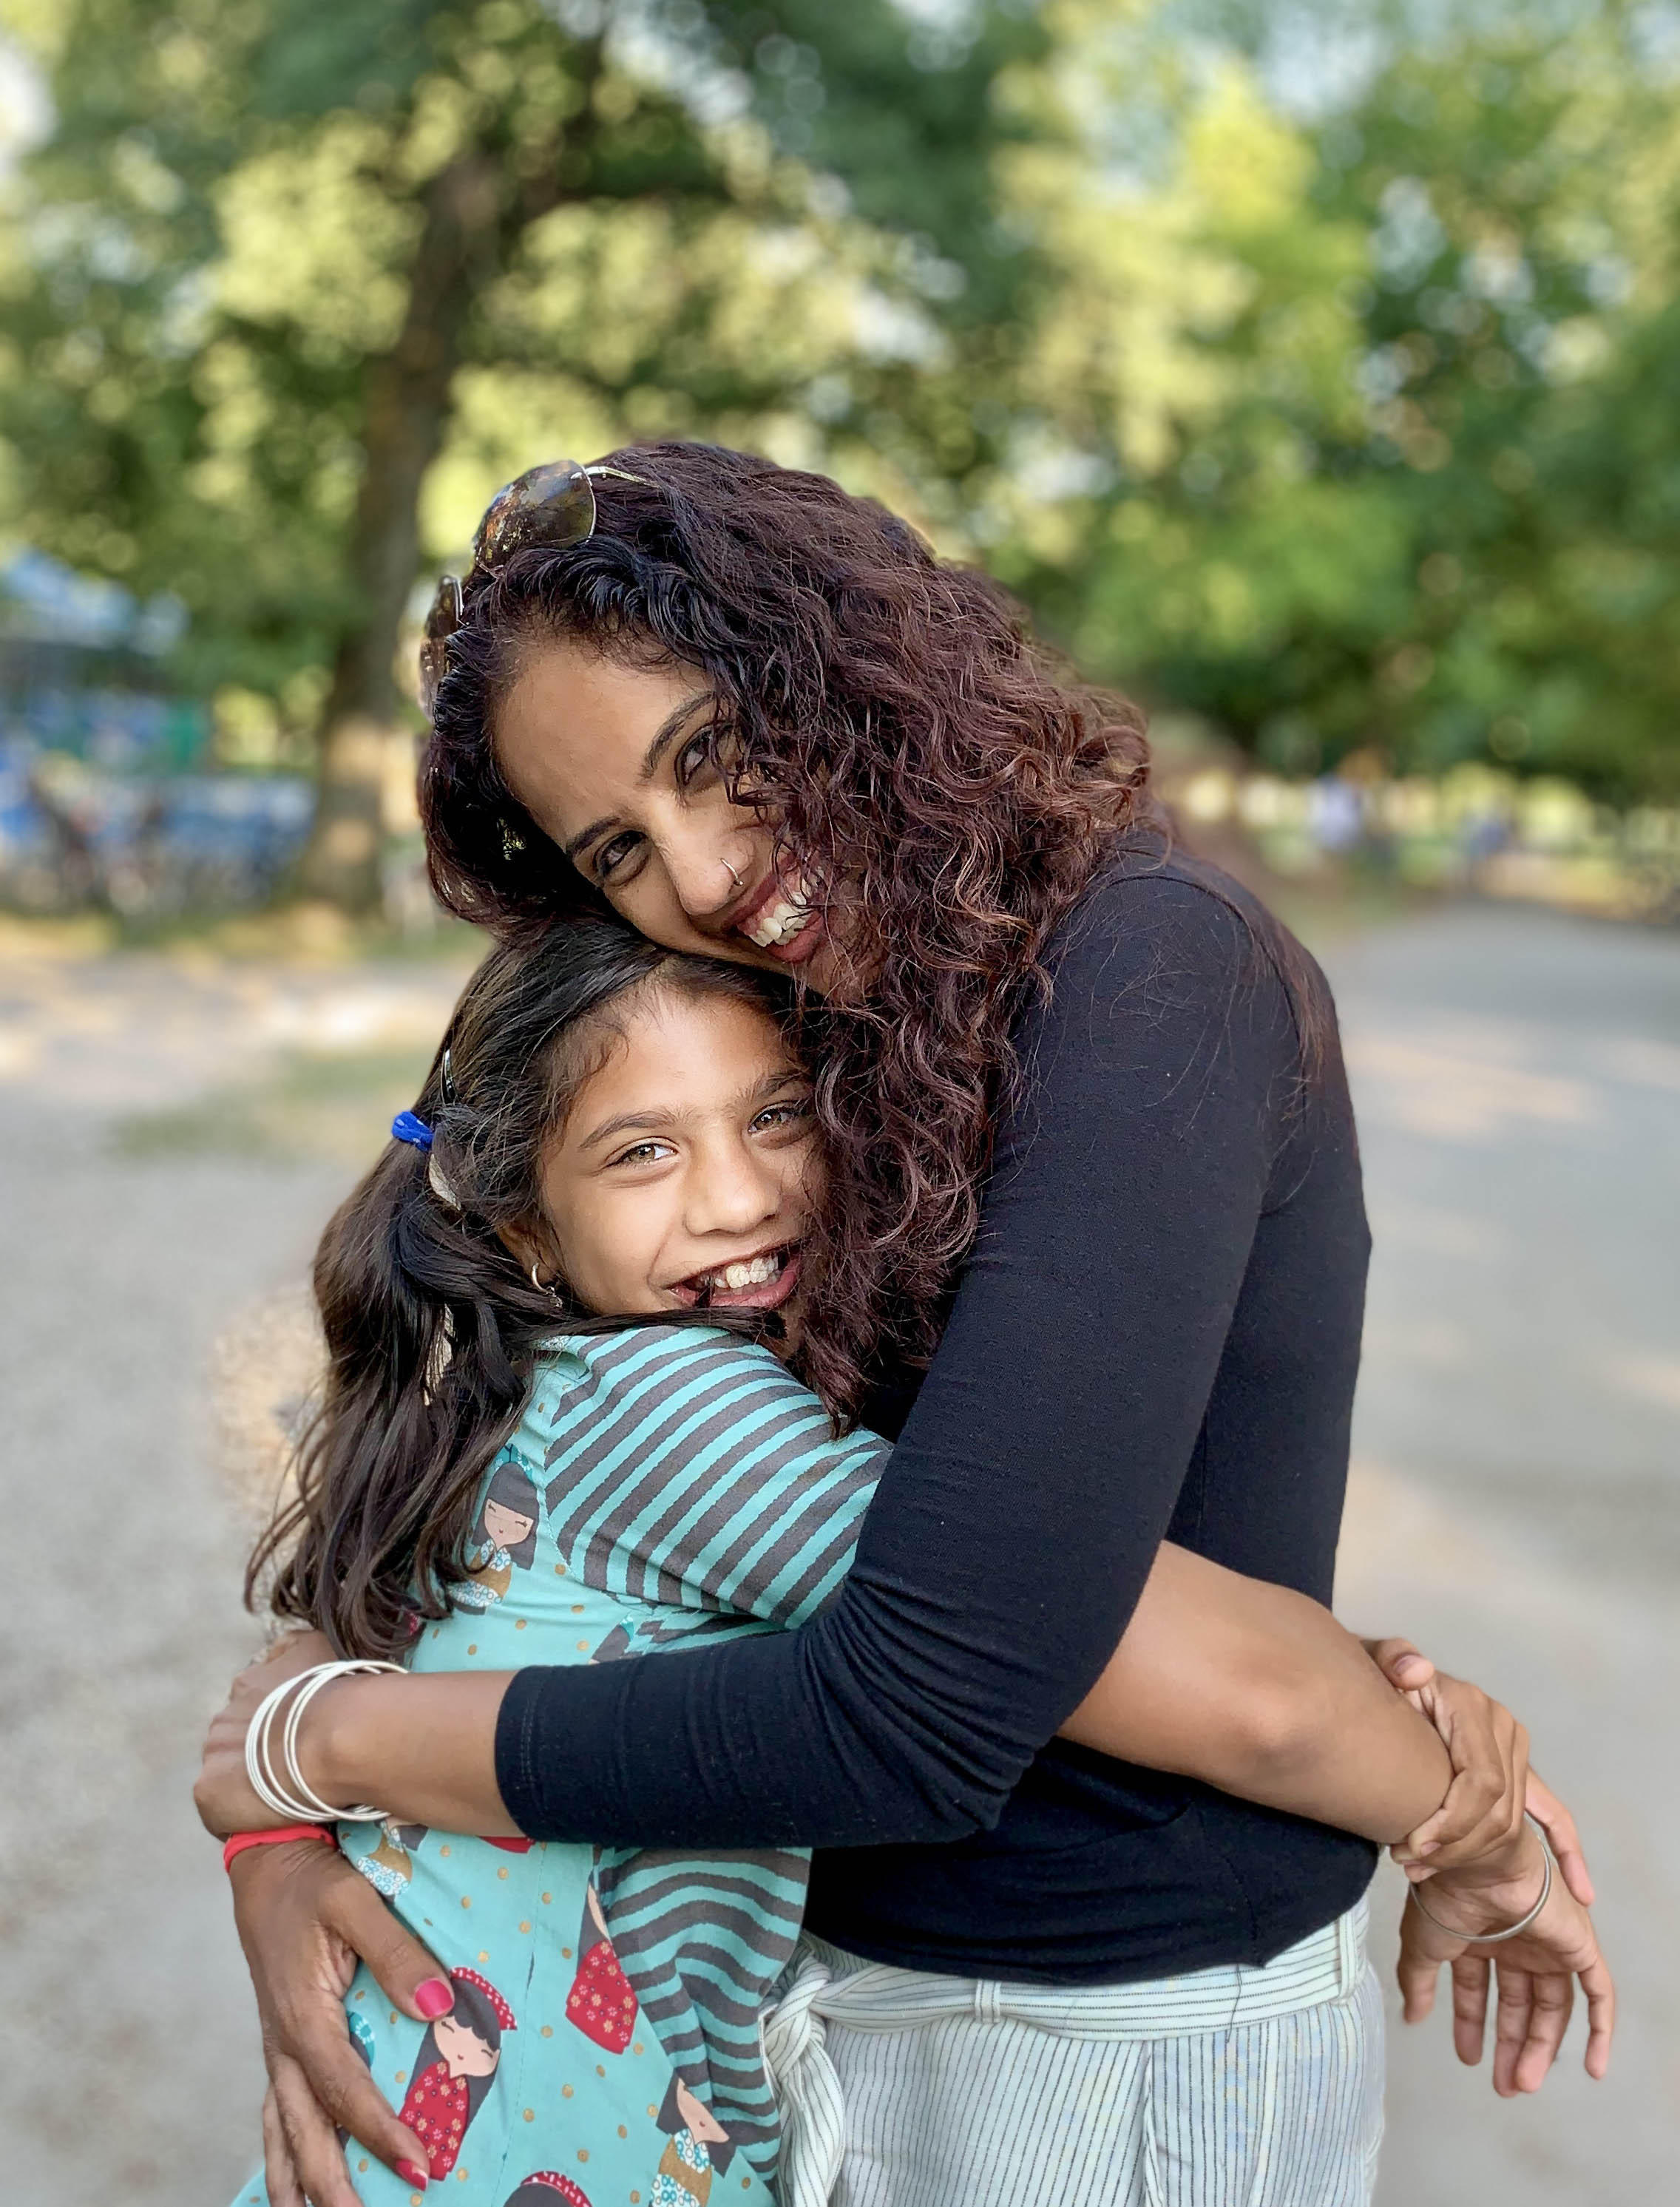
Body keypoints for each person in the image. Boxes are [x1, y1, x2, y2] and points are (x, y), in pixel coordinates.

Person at [197, 447, 1611, 2207]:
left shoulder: (1146, 970)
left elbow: (931, 1692)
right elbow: (779, 1504)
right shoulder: (834, 998)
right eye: (617, 847)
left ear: (843, 665)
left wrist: (324, 1744)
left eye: (708, 754)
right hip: (832, 2006)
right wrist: (280, 1822)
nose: (701, 871)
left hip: (1101, 2036)